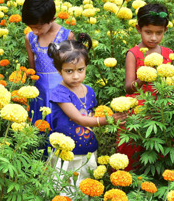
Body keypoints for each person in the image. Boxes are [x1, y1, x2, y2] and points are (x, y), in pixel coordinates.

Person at [48, 34, 127, 187]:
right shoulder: (60, 93)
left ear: (86, 67)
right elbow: (79, 119)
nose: (76, 76)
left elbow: (90, 115)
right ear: (59, 71)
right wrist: (109, 119)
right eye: (69, 71)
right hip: (66, 153)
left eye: (80, 70)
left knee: (85, 186)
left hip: (88, 148)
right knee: (65, 188)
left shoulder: (89, 91)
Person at [118, 3, 174, 171]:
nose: (153, 38)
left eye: (159, 33)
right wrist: (142, 79)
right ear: (138, 29)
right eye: (148, 32)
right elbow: (128, 88)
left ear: (165, 30)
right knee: (133, 148)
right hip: (138, 109)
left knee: (159, 148)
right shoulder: (133, 53)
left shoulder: (168, 53)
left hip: (161, 108)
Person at [22, 0, 74, 125]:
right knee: (40, 125)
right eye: (31, 27)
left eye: (38, 27)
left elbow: (73, 68)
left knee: (61, 124)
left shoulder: (66, 36)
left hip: (62, 90)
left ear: (52, 19)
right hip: (39, 92)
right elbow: (32, 69)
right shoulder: (30, 38)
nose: (34, 31)